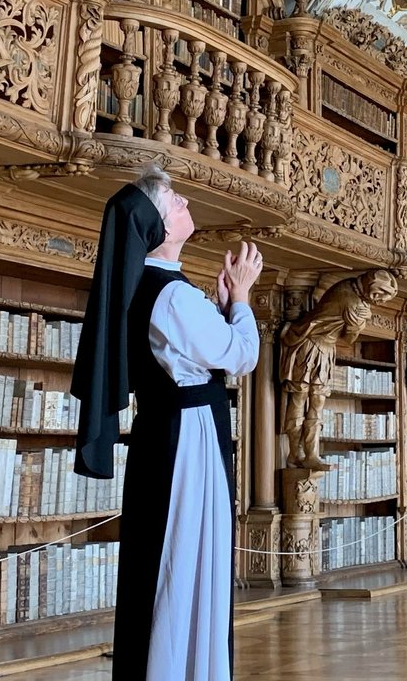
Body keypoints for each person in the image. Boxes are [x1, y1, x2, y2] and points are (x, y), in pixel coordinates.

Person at [72, 165, 263, 681]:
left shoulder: (159, 290)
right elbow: (240, 357)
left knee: (179, 555)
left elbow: (210, 354)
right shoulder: (172, 294)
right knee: (187, 557)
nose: (184, 203)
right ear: (157, 226)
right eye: (175, 200)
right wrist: (242, 299)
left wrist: (225, 310)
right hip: (190, 437)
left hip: (173, 431)